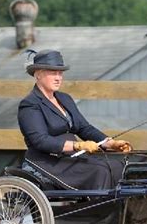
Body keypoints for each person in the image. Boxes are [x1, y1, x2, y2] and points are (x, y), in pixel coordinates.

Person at [18, 49, 132, 190]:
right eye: (53, 73)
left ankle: (118, 210)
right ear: (38, 75)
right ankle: (100, 211)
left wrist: (110, 143)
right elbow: (40, 141)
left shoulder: (65, 98)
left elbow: (84, 128)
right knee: (100, 171)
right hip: (47, 162)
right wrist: (78, 145)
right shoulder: (30, 104)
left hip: (71, 158)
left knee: (117, 167)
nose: (58, 77)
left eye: (60, 73)